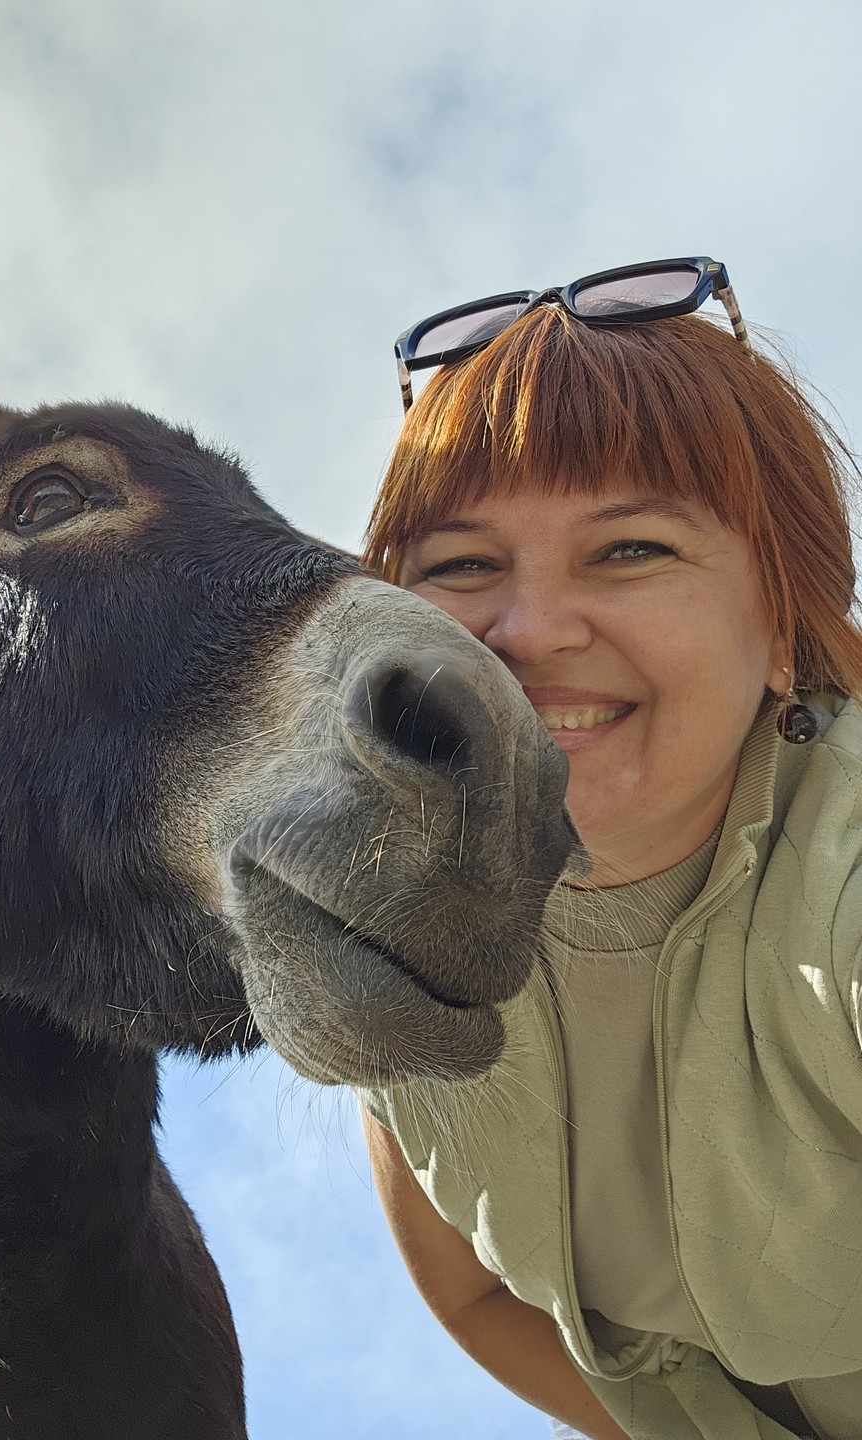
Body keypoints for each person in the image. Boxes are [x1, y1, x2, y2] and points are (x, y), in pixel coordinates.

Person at [357, 259, 862, 1440]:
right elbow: (474, 1292)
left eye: (631, 550)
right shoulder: (392, 938)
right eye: (462, 566)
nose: (527, 632)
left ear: (787, 628)